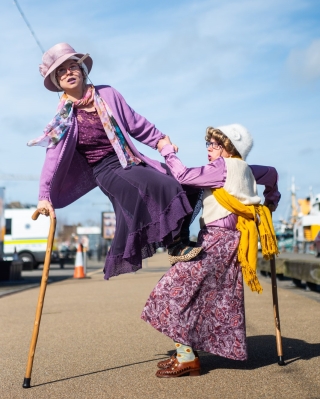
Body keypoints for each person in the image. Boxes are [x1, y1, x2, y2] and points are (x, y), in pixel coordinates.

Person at [28, 43, 197, 279]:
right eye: (62, 71)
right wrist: (44, 197)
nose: (69, 72)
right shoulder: (63, 117)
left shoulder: (107, 94)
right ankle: (176, 246)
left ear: (82, 70)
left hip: (128, 158)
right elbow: (52, 157)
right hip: (104, 169)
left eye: (73, 66)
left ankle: (180, 241)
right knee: (161, 188)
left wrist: (159, 141)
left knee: (180, 183)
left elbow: (135, 122)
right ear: (58, 82)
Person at [141, 124, 281, 377]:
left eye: (215, 144)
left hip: (218, 240)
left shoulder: (222, 168)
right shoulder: (247, 169)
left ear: (230, 148)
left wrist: (167, 151)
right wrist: (272, 199)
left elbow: (182, 176)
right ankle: (187, 354)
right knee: (204, 297)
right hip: (232, 240)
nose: (209, 149)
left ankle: (187, 358)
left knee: (172, 292)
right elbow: (271, 174)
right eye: (209, 143)